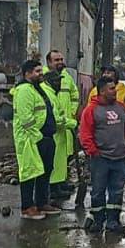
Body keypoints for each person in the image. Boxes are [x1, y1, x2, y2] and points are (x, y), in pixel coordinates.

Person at [81, 78, 125, 235]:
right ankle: (98, 220)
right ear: (102, 91)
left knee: (117, 191)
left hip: (119, 158)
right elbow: (85, 134)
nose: (115, 91)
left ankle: (113, 221)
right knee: (98, 191)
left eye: (115, 88)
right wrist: (93, 152)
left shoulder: (121, 108)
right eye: (111, 89)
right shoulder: (91, 111)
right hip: (101, 159)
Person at [12, 58, 58, 220]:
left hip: (45, 137)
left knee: (44, 171)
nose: (41, 74)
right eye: (37, 71)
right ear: (27, 74)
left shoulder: (37, 89)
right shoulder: (24, 90)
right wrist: (37, 137)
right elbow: (26, 119)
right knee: (29, 173)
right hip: (32, 139)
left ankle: (41, 202)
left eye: (41, 71)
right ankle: (27, 207)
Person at [44, 50, 81, 208]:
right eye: (56, 60)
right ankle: (53, 187)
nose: (60, 62)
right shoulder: (44, 79)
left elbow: (74, 95)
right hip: (55, 124)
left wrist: (72, 112)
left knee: (64, 155)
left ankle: (61, 182)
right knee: (54, 157)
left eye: (61, 59)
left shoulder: (66, 76)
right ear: (49, 62)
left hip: (66, 122)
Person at [96, 65, 125, 133]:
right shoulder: (94, 91)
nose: (105, 75)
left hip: (119, 131)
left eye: (108, 72)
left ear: (115, 75)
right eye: (104, 72)